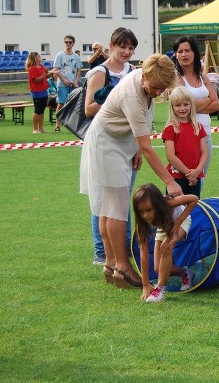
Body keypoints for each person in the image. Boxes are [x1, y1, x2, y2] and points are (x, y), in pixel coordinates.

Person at [80, 54, 181, 289]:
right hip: (107, 144)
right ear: (144, 76)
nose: (158, 92)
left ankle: (111, 264)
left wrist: (134, 149)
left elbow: (141, 136)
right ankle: (122, 267)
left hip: (119, 142)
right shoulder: (131, 94)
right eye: (155, 87)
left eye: (162, 89)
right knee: (116, 207)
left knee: (109, 207)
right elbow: (147, 147)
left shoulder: (143, 84)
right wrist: (169, 181)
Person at [83, 27, 138, 266]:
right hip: (105, 139)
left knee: (122, 197)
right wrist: (115, 95)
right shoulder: (100, 72)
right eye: (122, 46)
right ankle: (102, 251)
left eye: (130, 48)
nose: (126, 52)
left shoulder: (134, 71)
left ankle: (123, 248)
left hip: (128, 140)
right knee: (104, 199)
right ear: (112, 45)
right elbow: (89, 109)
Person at [133, 184, 198, 303]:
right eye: (141, 211)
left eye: (148, 210)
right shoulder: (141, 221)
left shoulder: (168, 203)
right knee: (158, 268)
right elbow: (143, 251)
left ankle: (160, 289)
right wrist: (145, 285)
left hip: (181, 221)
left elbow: (194, 199)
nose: (145, 215)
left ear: (157, 205)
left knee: (166, 247)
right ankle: (185, 272)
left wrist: (179, 221)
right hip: (164, 225)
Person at [173, 37, 219, 191]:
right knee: (186, 180)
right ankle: (183, 213)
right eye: (180, 51)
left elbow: (217, 105)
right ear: (176, 55)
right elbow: (181, 108)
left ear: (194, 53)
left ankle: (195, 210)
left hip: (205, 134)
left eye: (187, 50)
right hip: (186, 136)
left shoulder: (203, 77)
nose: (184, 54)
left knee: (201, 177)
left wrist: (193, 104)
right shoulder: (177, 79)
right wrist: (207, 100)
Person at [162, 87, 209, 197]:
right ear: (172, 107)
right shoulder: (170, 128)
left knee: (194, 209)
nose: (182, 108)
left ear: (191, 105)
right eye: (178, 105)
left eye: (186, 104)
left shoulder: (198, 127)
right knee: (176, 212)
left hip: (195, 177)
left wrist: (197, 171)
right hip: (177, 178)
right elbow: (170, 156)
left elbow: (204, 153)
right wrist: (188, 173)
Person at [53, 34, 82, 132]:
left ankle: (72, 125)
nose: (68, 44)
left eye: (70, 42)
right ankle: (57, 125)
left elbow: (78, 69)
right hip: (62, 84)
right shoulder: (60, 55)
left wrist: (76, 80)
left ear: (73, 43)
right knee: (61, 103)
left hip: (73, 83)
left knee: (73, 104)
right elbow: (56, 69)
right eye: (66, 42)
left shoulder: (76, 56)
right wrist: (64, 79)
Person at [26, 51, 55, 134]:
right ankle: (35, 129)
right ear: (35, 58)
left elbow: (44, 77)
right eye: (38, 56)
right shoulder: (32, 68)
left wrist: (51, 73)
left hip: (44, 91)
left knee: (42, 110)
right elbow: (37, 80)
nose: (40, 57)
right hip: (37, 92)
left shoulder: (41, 66)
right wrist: (45, 73)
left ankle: (41, 128)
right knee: (37, 110)